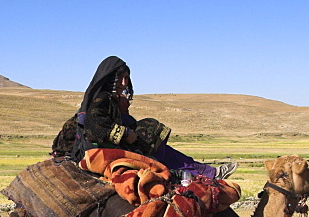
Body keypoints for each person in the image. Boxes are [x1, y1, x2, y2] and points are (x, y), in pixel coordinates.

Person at [52, 56, 237, 180]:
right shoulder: (101, 99)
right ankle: (200, 172)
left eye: (126, 78)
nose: (124, 83)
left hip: (110, 145)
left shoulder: (109, 99)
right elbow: (95, 128)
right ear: (110, 78)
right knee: (153, 143)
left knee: (159, 145)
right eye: (120, 78)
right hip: (99, 149)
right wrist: (125, 134)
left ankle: (201, 170)